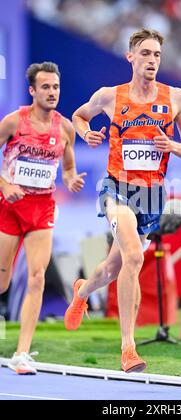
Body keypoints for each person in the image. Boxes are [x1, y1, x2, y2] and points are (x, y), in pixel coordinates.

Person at [64, 28, 181, 373]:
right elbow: (78, 116)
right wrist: (86, 133)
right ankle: (128, 348)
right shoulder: (110, 96)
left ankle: (81, 292)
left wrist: (173, 147)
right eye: (146, 54)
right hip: (117, 188)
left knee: (111, 268)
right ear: (131, 57)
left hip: (151, 194)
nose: (152, 60)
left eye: (156, 55)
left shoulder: (177, 98)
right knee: (134, 258)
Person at [0, 62, 86, 375]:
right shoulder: (13, 122)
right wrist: (5, 184)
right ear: (33, 91)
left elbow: (67, 168)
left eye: (56, 87)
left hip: (42, 209)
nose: (52, 92)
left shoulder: (65, 128)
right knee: (2, 282)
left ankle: (21, 353)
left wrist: (72, 179)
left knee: (37, 278)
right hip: (9, 208)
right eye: (46, 87)